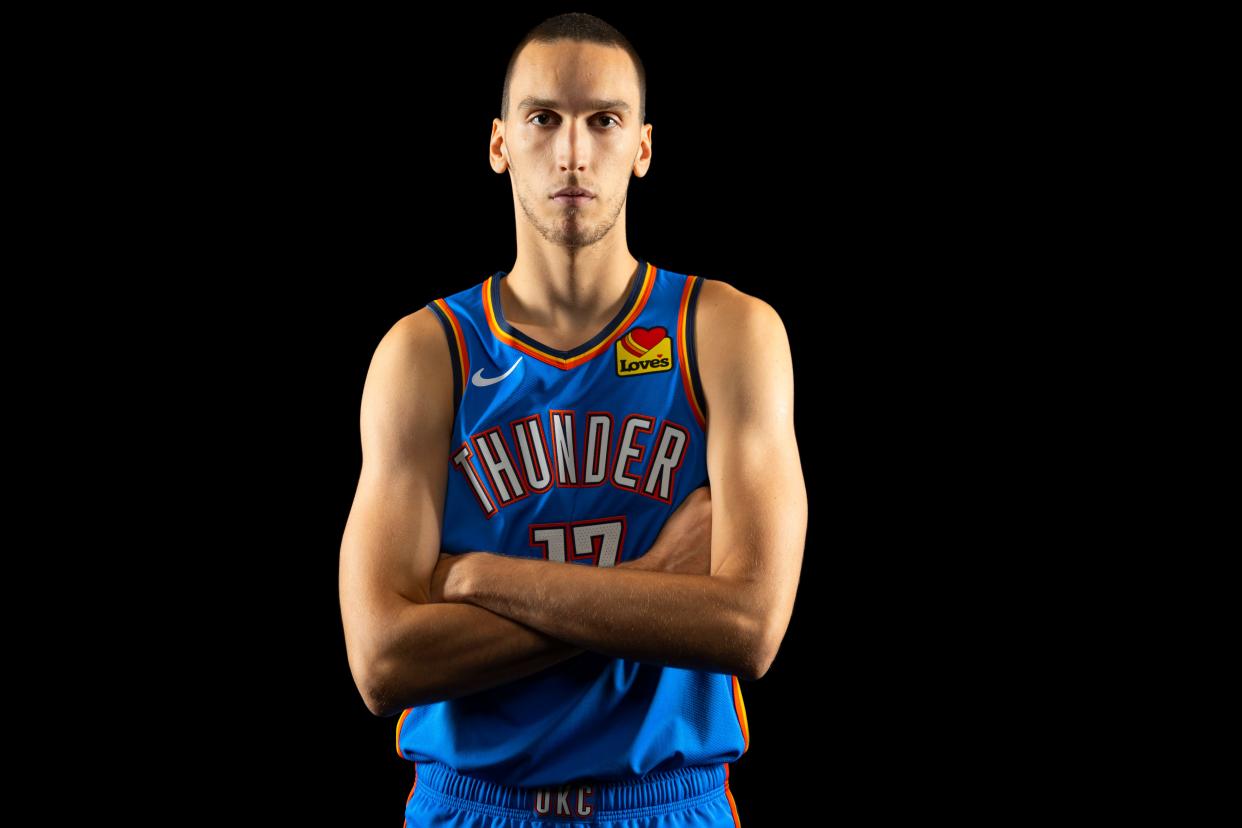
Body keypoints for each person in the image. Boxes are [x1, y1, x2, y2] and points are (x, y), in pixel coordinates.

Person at [338, 12, 806, 827]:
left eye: (604, 121)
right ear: (499, 143)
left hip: (666, 800)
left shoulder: (725, 332)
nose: (573, 151)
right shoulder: (426, 353)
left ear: (644, 149)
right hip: (471, 804)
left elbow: (749, 626)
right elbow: (382, 662)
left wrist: (477, 578)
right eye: (544, 118)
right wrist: (660, 580)